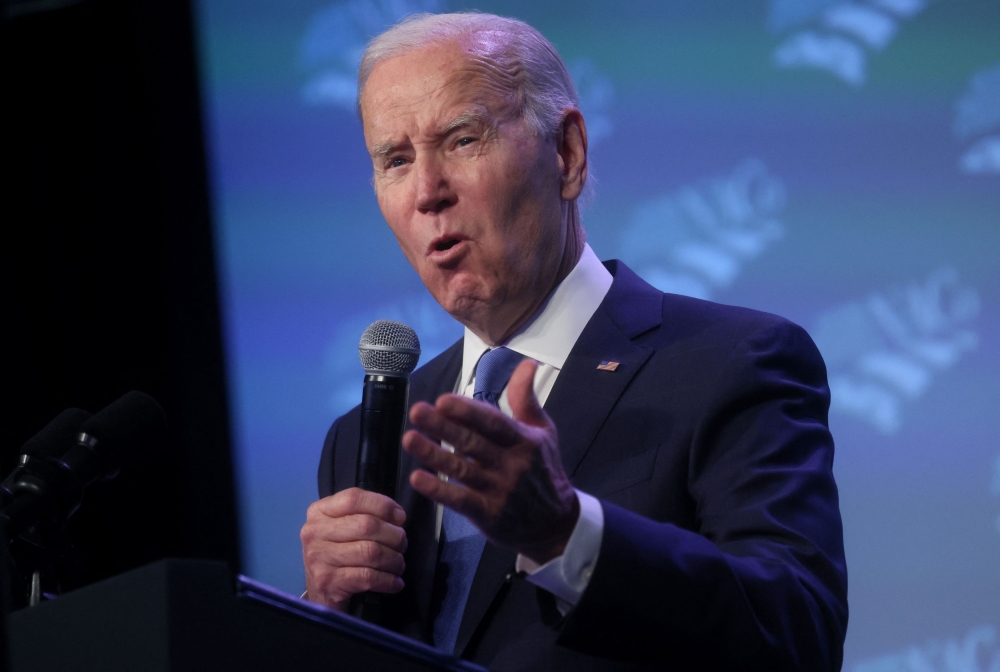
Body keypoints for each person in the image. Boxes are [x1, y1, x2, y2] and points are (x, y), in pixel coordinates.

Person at [300, 12, 848, 671]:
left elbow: (797, 633)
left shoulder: (732, 364)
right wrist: (322, 611)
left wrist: (568, 533)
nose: (426, 192)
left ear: (567, 155)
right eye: (395, 159)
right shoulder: (363, 438)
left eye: (463, 140)